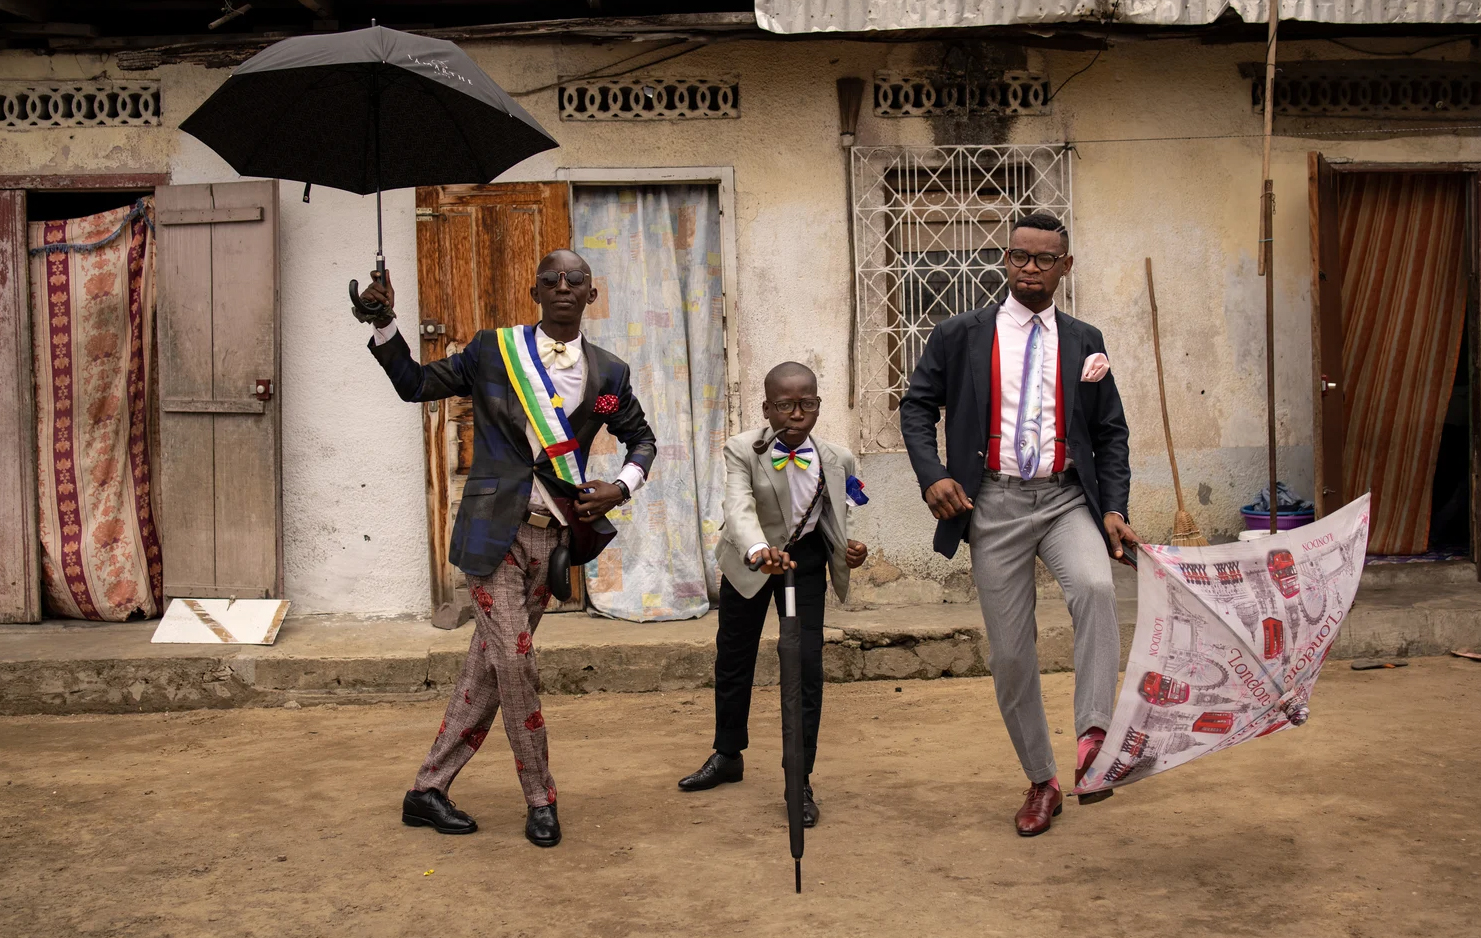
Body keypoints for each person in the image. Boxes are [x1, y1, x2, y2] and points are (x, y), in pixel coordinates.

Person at [354, 249, 657, 848]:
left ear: (592, 296)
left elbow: (642, 439)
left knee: (490, 668)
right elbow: (415, 384)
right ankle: (540, 798)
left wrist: (620, 485)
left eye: (577, 281)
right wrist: (383, 325)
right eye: (553, 280)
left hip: (553, 540)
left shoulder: (610, 374)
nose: (564, 287)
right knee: (516, 662)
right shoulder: (494, 350)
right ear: (535, 291)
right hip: (493, 535)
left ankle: (427, 791)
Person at [899, 211, 1139, 837]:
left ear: (1065, 266)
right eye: (1019, 257)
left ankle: (1094, 739)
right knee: (1011, 654)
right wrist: (933, 476)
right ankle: (1042, 779)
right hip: (994, 505)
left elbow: (1111, 433)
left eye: (1043, 259)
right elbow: (917, 407)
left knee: (1094, 587)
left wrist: (1113, 508)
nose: (1029, 268)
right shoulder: (961, 334)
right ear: (1006, 261)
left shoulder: (1087, 340)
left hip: (1065, 500)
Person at [677, 362, 868, 827]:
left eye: (807, 404)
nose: (796, 414)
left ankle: (798, 778)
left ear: (818, 405)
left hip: (803, 567)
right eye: (785, 405)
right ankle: (728, 754)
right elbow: (737, 506)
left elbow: (834, 515)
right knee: (734, 659)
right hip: (751, 562)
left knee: (804, 669)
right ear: (767, 407)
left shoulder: (838, 458)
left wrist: (850, 549)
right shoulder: (742, 449)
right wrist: (760, 551)